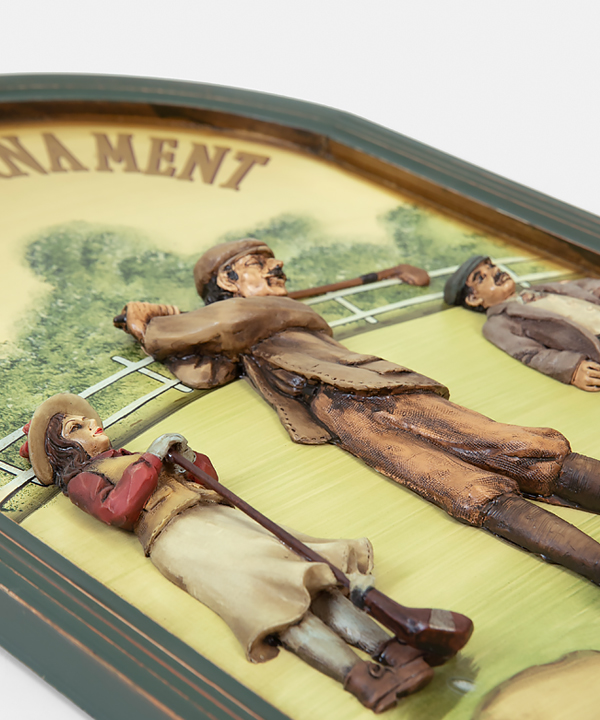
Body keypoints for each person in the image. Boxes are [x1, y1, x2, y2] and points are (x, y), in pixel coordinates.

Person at [114, 239, 600, 585]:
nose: (277, 267)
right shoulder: (238, 327)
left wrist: (148, 327)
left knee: (513, 447)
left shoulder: (251, 314)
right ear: (228, 279)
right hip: (337, 412)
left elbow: (196, 333)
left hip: (374, 389)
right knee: (459, 487)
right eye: (258, 264)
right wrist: (164, 329)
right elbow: (206, 370)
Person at [21, 392, 437, 713]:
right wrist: (151, 459)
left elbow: (207, 480)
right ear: (64, 449)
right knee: (270, 599)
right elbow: (119, 509)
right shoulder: (83, 480)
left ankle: (392, 649)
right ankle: (363, 677)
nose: (92, 424)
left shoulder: (127, 458)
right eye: (77, 427)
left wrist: (186, 458)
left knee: (302, 572)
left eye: (87, 420)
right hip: (179, 537)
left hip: (215, 515)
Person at [444, 255, 600, 391]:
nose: (495, 271)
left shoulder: (537, 289)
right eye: (481, 277)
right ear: (473, 298)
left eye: (491, 266)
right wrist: (571, 367)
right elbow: (530, 353)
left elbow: (584, 287)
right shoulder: (499, 322)